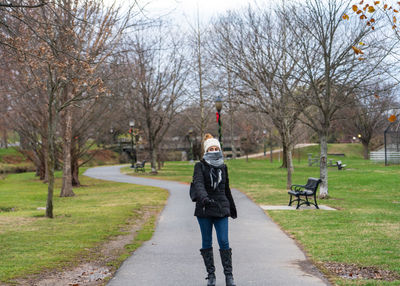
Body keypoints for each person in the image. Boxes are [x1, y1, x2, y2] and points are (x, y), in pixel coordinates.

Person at [191, 133, 237, 286]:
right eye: (211, 148)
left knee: (224, 241)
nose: (214, 150)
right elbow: (198, 185)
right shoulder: (200, 166)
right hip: (204, 209)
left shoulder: (223, 167)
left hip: (221, 208)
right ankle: (211, 275)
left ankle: (229, 276)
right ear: (206, 150)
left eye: (216, 148)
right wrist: (204, 198)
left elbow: (226, 189)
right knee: (207, 241)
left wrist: (231, 207)